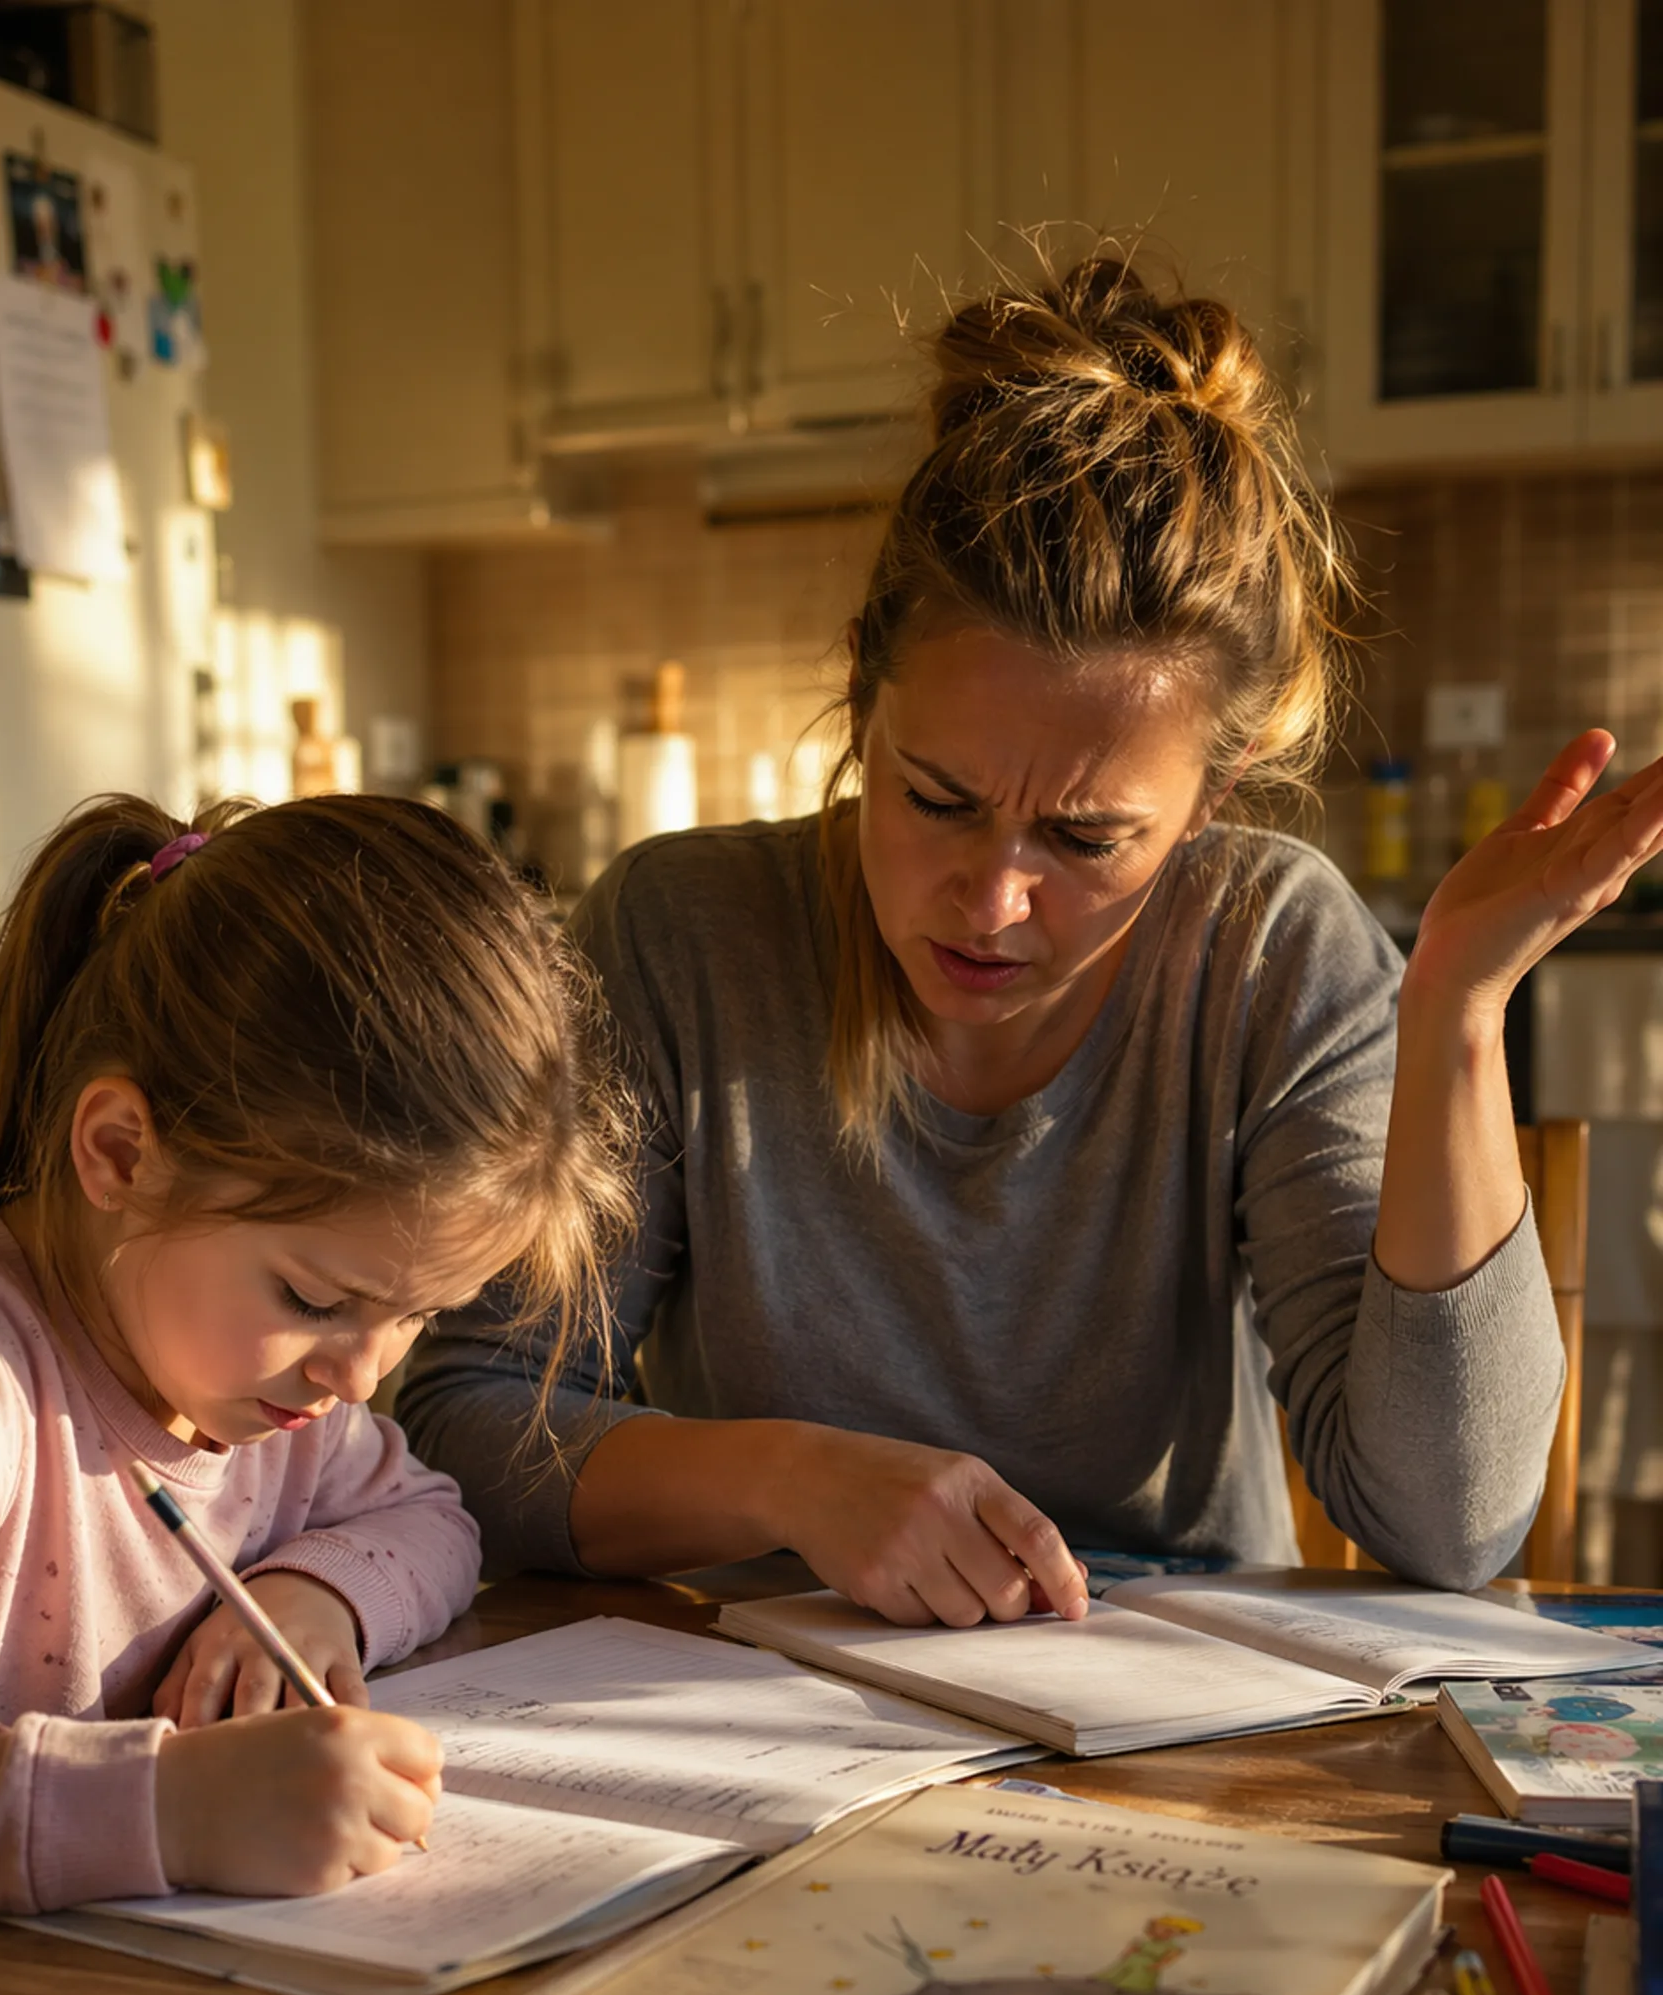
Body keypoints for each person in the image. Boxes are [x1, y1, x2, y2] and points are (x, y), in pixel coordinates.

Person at [401, 258, 1663, 1623]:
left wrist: (1458, 1012)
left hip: (1181, 1706)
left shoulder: (1269, 954)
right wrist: (793, 1482)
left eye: (1085, 837)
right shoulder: (679, 937)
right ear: (860, 694)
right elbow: (470, 1421)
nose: (993, 898)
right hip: (762, 1688)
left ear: (1211, 801)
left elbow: (1452, 1527)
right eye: (937, 800)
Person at [0, 795, 631, 1921]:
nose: (359, 1378)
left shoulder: (253, 1389)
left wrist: (319, 1592)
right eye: (316, 1298)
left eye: (418, 1315)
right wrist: (171, 1810)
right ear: (122, 1153)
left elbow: (431, 1517)